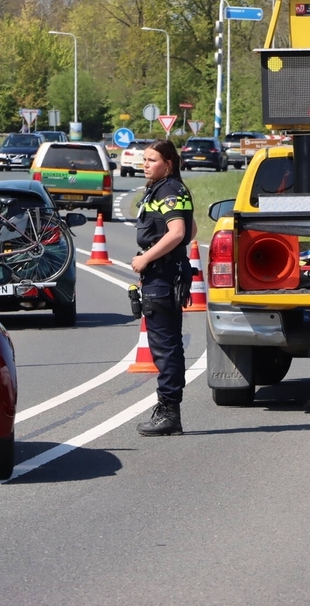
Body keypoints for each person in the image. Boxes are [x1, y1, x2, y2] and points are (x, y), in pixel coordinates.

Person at [132, 139, 197, 436]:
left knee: (165, 346)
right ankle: (168, 409)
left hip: (163, 275)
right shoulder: (169, 189)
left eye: (152, 160)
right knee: (167, 342)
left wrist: (146, 257)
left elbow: (179, 232)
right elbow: (192, 229)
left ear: (168, 163)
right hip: (167, 272)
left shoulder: (167, 189)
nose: (146, 164)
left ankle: (169, 411)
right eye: (144, 159)